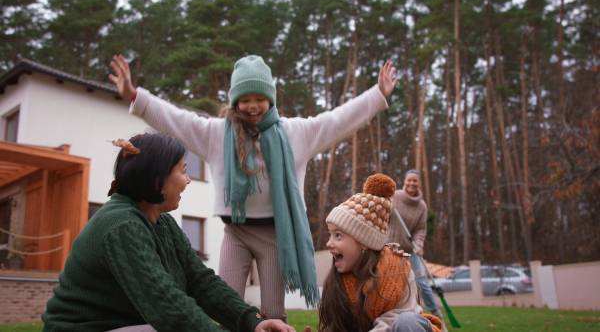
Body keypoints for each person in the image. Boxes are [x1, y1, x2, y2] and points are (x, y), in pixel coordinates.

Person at [108, 54, 398, 322]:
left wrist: (377, 95)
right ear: (235, 101)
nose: (253, 106)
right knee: (227, 305)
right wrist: (135, 96)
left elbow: (337, 120)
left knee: (273, 311)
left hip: (275, 236)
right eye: (245, 99)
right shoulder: (216, 133)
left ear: (271, 99)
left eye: (260, 98)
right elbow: (176, 119)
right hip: (235, 232)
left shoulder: (296, 133)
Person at [41, 133, 295, 332]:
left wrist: (252, 321)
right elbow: (165, 304)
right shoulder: (121, 225)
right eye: (183, 170)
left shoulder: (163, 223)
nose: (188, 180)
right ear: (156, 178)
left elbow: (201, 282)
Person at [305, 174, 442, 332]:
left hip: (406, 326)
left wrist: (418, 244)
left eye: (338, 235)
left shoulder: (398, 273)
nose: (329, 243)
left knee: (406, 321)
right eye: (330, 235)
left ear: (363, 241)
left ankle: (437, 312)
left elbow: (394, 321)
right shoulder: (339, 281)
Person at [385, 169, 448, 332]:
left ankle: (437, 317)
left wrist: (418, 244)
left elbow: (420, 229)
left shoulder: (421, 206)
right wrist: (387, 204)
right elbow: (382, 213)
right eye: (409, 180)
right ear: (404, 181)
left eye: (415, 181)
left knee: (420, 282)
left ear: (419, 183)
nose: (411, 183)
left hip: (409, 250)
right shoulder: (395, 196)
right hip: (388, 248)